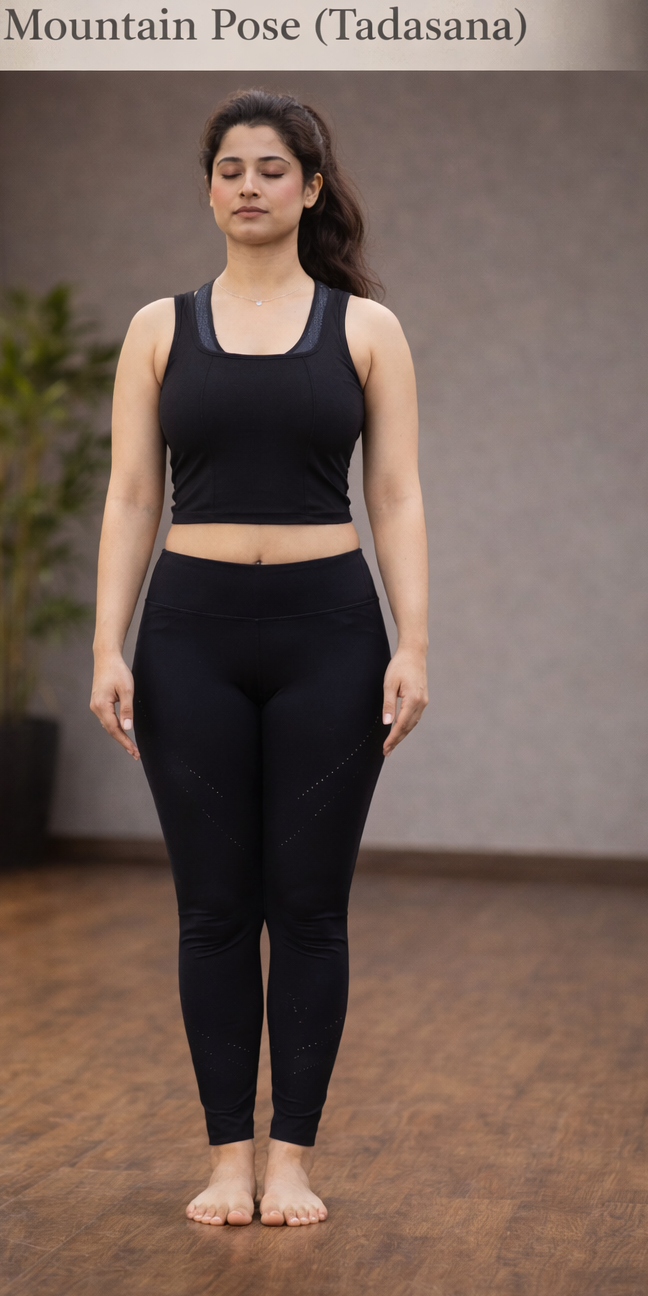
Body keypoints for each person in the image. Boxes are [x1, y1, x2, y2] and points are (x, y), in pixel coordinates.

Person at [90, 89, 428, 1228]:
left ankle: (292, 1159)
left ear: (310, 189)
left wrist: (413, 643)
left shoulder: (366, 330)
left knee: (311, 907)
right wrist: (108, 641)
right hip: (188, 632)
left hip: (331, 632)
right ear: (207, 190)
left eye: (271, 169)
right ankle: (225, 1157)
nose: (248, 185)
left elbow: (396, 495)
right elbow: (132, 494)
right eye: (229, 168)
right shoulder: (157, 328)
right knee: (213, 910)